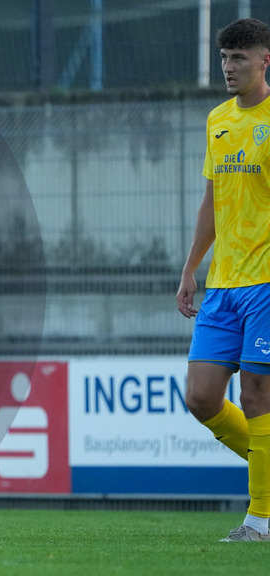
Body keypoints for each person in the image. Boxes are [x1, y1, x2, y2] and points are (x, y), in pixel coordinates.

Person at [178, 17, 270, 543]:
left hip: (266, 281)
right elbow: (212, 202)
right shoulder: (217, 119)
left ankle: (258, 521)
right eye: (224, 58)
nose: (229, 68)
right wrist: (192, 267)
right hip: (224, 282)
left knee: (259, 396)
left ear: (265, 61)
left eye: (239, 58)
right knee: (203, 398)